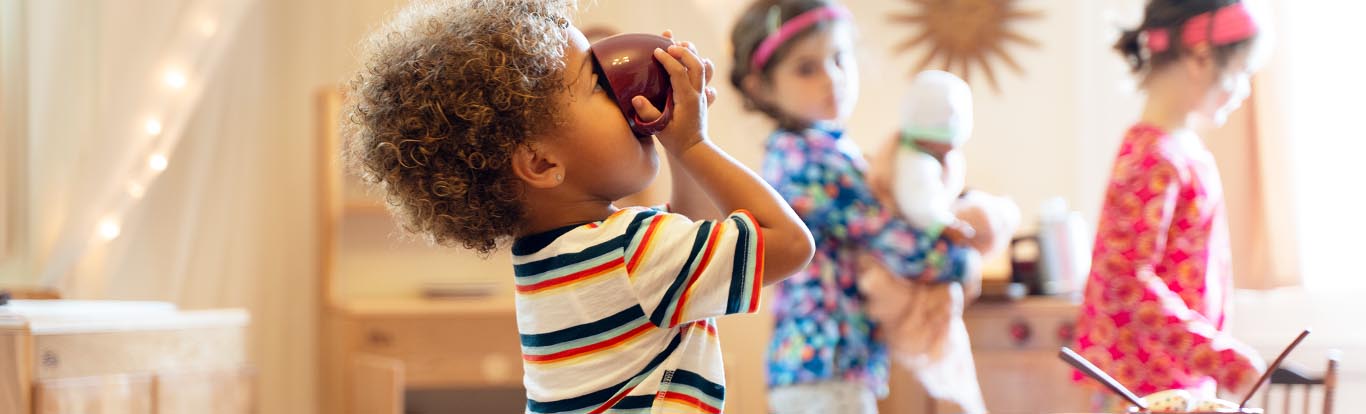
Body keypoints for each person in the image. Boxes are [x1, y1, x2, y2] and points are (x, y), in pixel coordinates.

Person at [343, 1, 814, 412]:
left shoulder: (549, 259)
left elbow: (687, 238)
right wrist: (692, 144)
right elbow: (790, 244)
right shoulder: (634, 255)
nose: (624, 94)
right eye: (598, 85)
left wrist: (679, 146)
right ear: (543, 162)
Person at [1073, 0, 1271, 408]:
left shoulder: (1181, 150)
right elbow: (1126, 280)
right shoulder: (1153, 159)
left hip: (1174, 381)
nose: (1244, 89)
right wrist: (1218, 357)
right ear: (1200, 57)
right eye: (1241, 72)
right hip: (1142, 390)